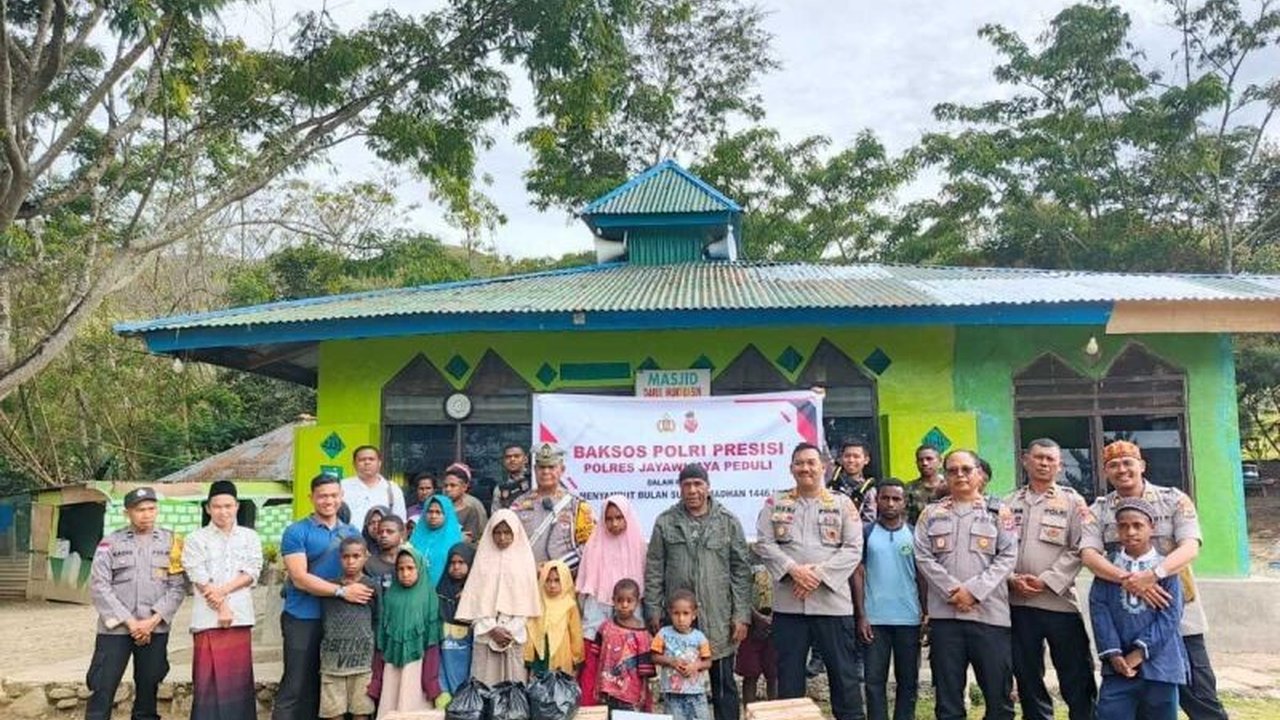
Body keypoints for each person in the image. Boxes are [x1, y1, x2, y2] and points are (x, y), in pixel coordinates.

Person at [1079, 440, 1227, 720]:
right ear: (1105, 472)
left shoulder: (1173, 499)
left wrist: (1153, 575)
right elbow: (1088, 554)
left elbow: (1190, 547)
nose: (1121, 470)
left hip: (1173, 604)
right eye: (1113, 465)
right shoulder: (1097, 510)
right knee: (1128, 685)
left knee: (1198, 690)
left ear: (1142, 465)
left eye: (1127, 463)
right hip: (1124, 611)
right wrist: (1131, 580)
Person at [755, 443, 865, 720]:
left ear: (824, 467)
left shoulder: (842, 504)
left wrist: (816, 575)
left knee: (844, 675)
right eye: (799, 463)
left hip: (832, 605)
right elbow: (765, 544)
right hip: (790, 607)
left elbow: (853, 548)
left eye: (811, 463)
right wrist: (793, 569)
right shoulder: (775, 503)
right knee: (789, 676)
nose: (805, 468)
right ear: (791, 468)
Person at [914, 448, 1017, 720]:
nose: (959, 475)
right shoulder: (931, 514)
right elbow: (922, 556)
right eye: (952, 470)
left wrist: (973, 592)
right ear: (944, 475)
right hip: (945, 618)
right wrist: (952, 590)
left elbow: (1008, 556)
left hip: (989, 617)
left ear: (979, 473)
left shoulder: (999, 512)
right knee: (948, 701)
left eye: (966, 469)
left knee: (999, 698)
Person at [645, 463, 752, 720]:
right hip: (678, 620)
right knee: (679, 689)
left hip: (718, 616)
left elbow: (741, 571)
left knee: (724, 685)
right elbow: (654, 568)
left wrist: (742, 615)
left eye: (697, 484)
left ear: (707, 486)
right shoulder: (666, 522)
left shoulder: (727, 522)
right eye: (686, 485)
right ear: (680, 488)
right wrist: (652, 608)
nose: (692, 490)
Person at [1004, 438, 1097, 720]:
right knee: (1028, 675)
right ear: (1025, 460)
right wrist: (1010, 578)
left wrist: (1047, 580)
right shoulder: (1008, 503)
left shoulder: (1073, 501)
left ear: (1058, 466)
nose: (1044, 463)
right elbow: (999, 549)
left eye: (1050, 459)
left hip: (1060, 605)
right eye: (1039, 457)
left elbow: (1081, 547)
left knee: (1076, 675)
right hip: (1018, 605)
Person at [86, 487, 187, 720]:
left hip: (155, 628)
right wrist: (131, 623)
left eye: (151, 509)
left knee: (148, 690)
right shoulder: (110, 543)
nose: (146, 515)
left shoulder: (172, 542)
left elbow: (178, 586)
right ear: (127, 513)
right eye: (140, 510)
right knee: (102, 687)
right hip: (116, 630)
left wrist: (152, 621)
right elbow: (100, 586)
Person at [275, 473, 370, 720]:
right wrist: (341, 591)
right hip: (302, 616)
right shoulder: (296, 531)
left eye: (333, 495)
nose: (329, 501)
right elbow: (299, 577)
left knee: (329, 685)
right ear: (311, 498)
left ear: (341, 496)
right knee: (295, 683)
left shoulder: (351, 533)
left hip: (339, 620)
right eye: (323, 496)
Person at [1089, 497, 1187, 720]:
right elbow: (1099, 612)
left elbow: (1170, 617)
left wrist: (1140, 652)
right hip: (1118, 666)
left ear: (1152, 527)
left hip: (1161, 666)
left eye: (1137, 525)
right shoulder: (1108, 569)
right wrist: (1113, 653)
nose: (1130, 532)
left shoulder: (1166, 569)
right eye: (1123, 526)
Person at [182, 480, 263, 720]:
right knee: (207, 683)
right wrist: (221, 605)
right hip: (207, 619)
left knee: (238, 684)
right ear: (208, 508)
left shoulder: (249, 537)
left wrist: (223, 593)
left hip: (240, 618)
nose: (223, 511)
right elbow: (198, 575)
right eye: (217, 506)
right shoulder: (196, 538)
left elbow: (252, 571)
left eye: (228, 506)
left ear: (237, 506)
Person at [852, 479, 925, 720]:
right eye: (885, 498)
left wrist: (926, 613)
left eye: (896, 499)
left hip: (909, 619)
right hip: (875, 620)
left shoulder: (915, 534)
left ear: (904, 503)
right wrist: (861, 615)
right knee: (874, 682)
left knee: (908, 681)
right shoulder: (866, 533)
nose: (890, 503)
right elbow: (858, 573)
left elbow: (922, 577)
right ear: (877, 500)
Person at [456, 509, 542, 685]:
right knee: (483, 687)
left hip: (514, 635)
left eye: (507, 532)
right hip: (486, 634)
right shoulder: (482, 561)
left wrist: (510, 629)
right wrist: (492, 628)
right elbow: (475, 601)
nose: (502, 538)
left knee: (514, 689)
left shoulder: (524, 562)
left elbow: (527, 602)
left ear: (515, 532)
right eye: (497, 532)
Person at [577, 494, 647, 705]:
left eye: (619, 517)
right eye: (609, 518)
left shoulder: (638, 544)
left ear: (627, 518)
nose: (614, 523)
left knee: (628, 664)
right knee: (593, 661)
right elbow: (586, 585)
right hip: (598, 607)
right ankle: (590, 711)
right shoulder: (594, 544)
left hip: (631, 608)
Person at [377, 545, 444, 717]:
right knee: (391, 704)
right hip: (392, 663)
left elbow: (432, 639)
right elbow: (381, 638)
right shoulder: (390, 596)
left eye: (410, 568)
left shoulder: (429, 596)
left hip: (418, 664)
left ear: (420, 568)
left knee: (414, 707)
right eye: (400, 569)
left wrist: (431, 681)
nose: (405, 574)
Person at [319, 537, 379, 720]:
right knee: (333, 712)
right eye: (346, 557)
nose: (351, 561)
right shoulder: (329, 588)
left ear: (365, 557)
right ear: (340, 558)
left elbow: (378, 618)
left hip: (362, 662)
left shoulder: (371, 587)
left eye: (356, 556)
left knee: (361, 712)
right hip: (332, 662)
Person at [512, 442, 596, 572]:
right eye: (542, 467)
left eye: (551, 467)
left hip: (563, 582)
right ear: (534, 470)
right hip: (528, 579)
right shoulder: (519, 504)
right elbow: (509, 543)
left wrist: (556, 569)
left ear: (562, 469)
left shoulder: (577, 505)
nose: (546, 471)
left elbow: (589, 546)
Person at [652, 589, 714, 720]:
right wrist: (671, 662)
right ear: (670, 613)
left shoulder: (699, 637)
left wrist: (695, 666)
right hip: (672, 693)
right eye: (676, 613)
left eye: (686, 613)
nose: (681, 619)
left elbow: (708, 661)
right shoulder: (663, 634)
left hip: (696, 692)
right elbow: (654, 656)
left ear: (694, 614)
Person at [597, 578, 655, 711]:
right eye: (620, 600)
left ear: (637, 602)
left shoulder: (641, 633)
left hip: (631, 693)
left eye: (629, 601)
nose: (624, 605)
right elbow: (597, 657)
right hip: (607, 690)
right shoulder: (605, 628)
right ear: (613, 600)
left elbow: (645, 668)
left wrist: (644, 691)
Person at [526, 559, 585, 675]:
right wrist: (528, 656)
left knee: (558, 685)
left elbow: (576, 632)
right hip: (541, 652)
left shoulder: (569, 604)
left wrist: (577, 658)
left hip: (561, 653)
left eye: (557, 580)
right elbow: (531, 628)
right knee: (538, 687)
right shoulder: (538, 602)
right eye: (548, 580)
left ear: (566, 580)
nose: (552, 585)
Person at [735, 549, 778, 707]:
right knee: (750, 673)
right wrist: (756, 617)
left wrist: (774, 617)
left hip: (777, 623)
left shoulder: (779, 553)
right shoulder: (745, 556)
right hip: (751, 624)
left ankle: (775, 713)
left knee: (774, 673)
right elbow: (740, 592)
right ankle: (750, 713)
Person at [437, 542, 476, 700]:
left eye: (461, 562)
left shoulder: (477, 594)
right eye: (452, 563)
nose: (456, 567)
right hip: (445, 658)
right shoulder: (439, 593)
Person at [341, 446, 407, 531]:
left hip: (382, 541)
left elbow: (400, 521)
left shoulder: (392, 489)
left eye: (371, 459)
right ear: (354, 464)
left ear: (379, 463)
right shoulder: (342, 486)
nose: (367, 462)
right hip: (349, 540)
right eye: (362, 460)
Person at [408, 494, 465, 587]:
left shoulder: (455, 540)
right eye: (430, 512)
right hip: (415, 589)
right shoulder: (416, 536)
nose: (433, 516)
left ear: (447, 514)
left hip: (443, 592)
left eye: (438, 512)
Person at [830, 437, 878, 523]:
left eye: (856, 457)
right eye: (847, 456)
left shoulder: (869, 490)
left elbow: (869, 521)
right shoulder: (831, 483)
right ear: (840, 459)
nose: (851, 460)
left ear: (866, 460)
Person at [441, 463, 489, 544]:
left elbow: (476, 536)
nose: (448, 489)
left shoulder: (473, 506)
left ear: (464, 487)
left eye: (453, 485)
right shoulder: (439, 504)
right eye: (445, 486)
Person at [367, 514, 407, 589]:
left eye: (390, 532)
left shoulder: (411, 561)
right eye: (380, 532)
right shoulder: (368, 564)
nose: (383, 535)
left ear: (401, 534)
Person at [906, 445, 944, 525]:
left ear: (940, 462)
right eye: (920, 460)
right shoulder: (909, 489)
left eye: (929, 459)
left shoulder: (950, 487)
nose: (925, 463)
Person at [492, 443, 531, 513]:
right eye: (508, 457)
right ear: (504, 461)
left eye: (517, 456)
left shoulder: (534, 481)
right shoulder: (500, 489)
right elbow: (496, 516)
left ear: (525, 459)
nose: (512, 459)